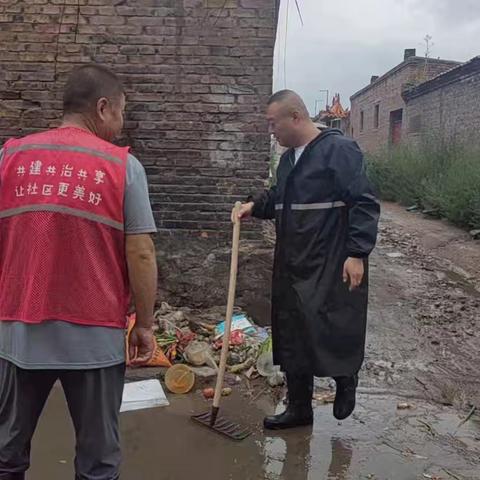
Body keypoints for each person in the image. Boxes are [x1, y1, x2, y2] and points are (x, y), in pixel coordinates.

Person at [0, 64, 158, 479]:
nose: (122, 125)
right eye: (122, 112)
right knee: (98, 460)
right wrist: (145, 324)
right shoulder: (123, 167)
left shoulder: (11, 156)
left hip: (19, 334)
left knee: (6, 453)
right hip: (94, 338)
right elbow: (140, 253)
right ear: (103, 108)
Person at [235, 90, 380, 430]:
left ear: (295, 117)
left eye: (273, 123)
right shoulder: (288, 161)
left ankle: (346, 378)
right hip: (292, 259)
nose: (271, 131)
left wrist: (357, 253)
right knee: (293, 331)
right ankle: (299, 408)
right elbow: (279, 199)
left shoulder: (339, 151)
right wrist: (254, 205)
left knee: (333, 322)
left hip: (330, 258)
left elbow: (363, 202)